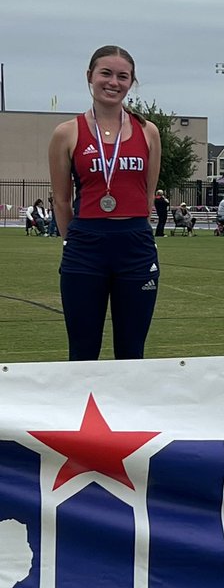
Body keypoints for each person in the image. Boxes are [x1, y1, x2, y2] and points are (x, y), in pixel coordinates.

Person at [48, 44, 161, 361]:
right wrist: (77, 239)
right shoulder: (67, 133)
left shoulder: (147, 131)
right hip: (85, 247)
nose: (114, 82)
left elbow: (147, 194)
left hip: (136, 245)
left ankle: (126, 412)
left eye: (123, 76)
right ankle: (83, 411)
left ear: (131, 82)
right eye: (106, 73)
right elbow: (60, 199)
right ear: (90, 77)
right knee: (83, 353)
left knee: (131, 352)